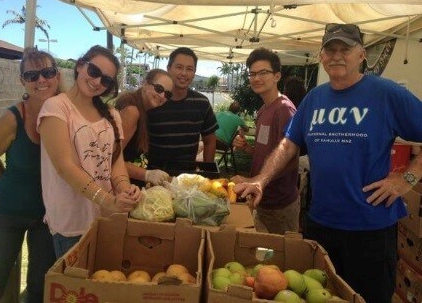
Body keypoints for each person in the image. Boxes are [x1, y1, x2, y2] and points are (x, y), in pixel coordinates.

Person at [233, 23, 422, 303]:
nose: (336, 55)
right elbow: (289, 143)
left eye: (345, 49)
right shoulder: (315, 99)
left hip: (369, 229)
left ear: (361, 55)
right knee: (321, 295)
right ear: (321, 56)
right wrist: (261, 178)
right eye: (330, 49)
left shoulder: (385, 93)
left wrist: (405, 179)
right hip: (321, 225)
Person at [38, 45, 141, 258]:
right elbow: (64, 167)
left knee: (104, 284)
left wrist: (124, 189)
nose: (97, 82)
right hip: (72, 222)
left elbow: (115, 162)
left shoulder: (112, 114)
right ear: (80, 66)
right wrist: (108, 200)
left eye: (106, 80)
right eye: (94, 72)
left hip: (106, 218)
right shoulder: (55, 107)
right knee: (78, 289)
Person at [0, 49, 58, 303]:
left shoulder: (64, 113)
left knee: (40, 287)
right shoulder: (12, 119)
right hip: (7, 214)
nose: (41, 80)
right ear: (23, 81)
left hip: (47, 217)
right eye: (32, 75)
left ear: (57, 75)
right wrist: (8, 183)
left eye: (47, 72)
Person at [231, 47, 299, 235]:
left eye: (263, 73)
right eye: (252, 74)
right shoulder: (263, 110)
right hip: (261, 198)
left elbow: (290, 158)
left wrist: (254, 180)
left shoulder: (284, 109)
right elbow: (267, 153)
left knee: (281, 257)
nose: (256, 78)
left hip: (280, 204)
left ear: (277, 76)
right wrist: (247, 148)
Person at [147, 47, 218, 169]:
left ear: (194, 73)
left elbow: (210, 141)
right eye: (179, 67)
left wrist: (208, 172)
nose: (184, 73)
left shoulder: (202, 103)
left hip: (187, 179)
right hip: (153, 177)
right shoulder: (154, 101)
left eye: (189, 69)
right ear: (168, 69)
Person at [115, 69, 174, 187]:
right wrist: (146, 174)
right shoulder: (132, 111)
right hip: (123, 188)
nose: (162, 96)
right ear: (145, 84)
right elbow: (112, 159)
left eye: (167, 94)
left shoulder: (143, 108)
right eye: (159, 88)